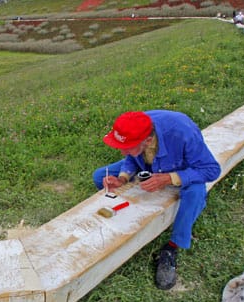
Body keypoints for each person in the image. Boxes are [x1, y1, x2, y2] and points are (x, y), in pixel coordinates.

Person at [93, 110, 221, 290]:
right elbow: (131, 157)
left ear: (147, 141)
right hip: (149, 161)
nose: (122, 152)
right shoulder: (135, 127)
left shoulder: (183, 133)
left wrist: (170, 178)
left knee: (195, 193)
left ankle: (172, 247)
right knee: (100, 176)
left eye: (127, 147)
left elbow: (211, 170)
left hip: (181, 167)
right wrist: (122, 178)